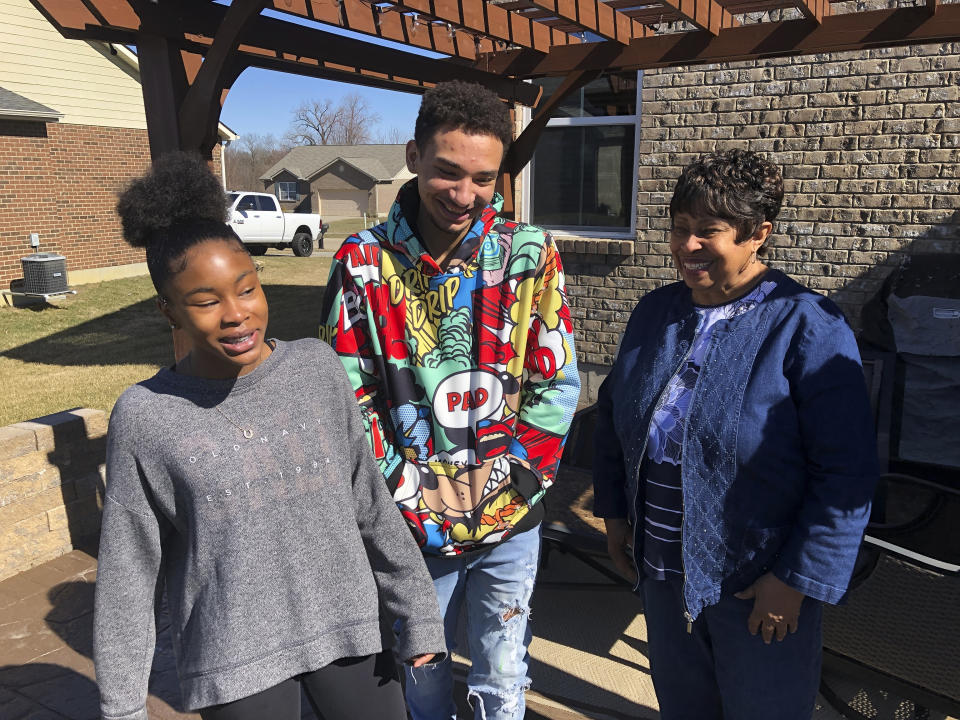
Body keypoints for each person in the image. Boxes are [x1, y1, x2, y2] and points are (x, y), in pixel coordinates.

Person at [93, 152, 445, 720]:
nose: (236, 314)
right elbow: (129, 574)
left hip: (350, 631)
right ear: (169, 312)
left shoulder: (317, 369)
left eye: (247, 288)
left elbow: (370, 505)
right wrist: (123, 706)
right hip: (234, 656)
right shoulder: (146, 416)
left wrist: (418, 611)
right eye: (206, 302)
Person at [320, 80, 580, 720]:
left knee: (502, 671)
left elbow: (556, 385)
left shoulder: (531, 254)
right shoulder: (361, 263)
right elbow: (347, 400)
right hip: (409, 530)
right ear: (413, 156)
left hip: (512, 518)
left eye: (484, 179)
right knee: (419, 680)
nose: (465, 196)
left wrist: (511, 483)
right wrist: (407, 496)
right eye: (448, 172)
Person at [592, 149, 878, 720]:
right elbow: (612, 414)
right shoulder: (655, 312)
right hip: (661, 566)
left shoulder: (807, 324)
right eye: (679, 228)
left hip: (756, 581)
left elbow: (845, 472)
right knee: (684, 706)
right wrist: (617, 516)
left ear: (757, 235)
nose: (688, 246)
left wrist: (794, 579)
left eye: (708, 232)